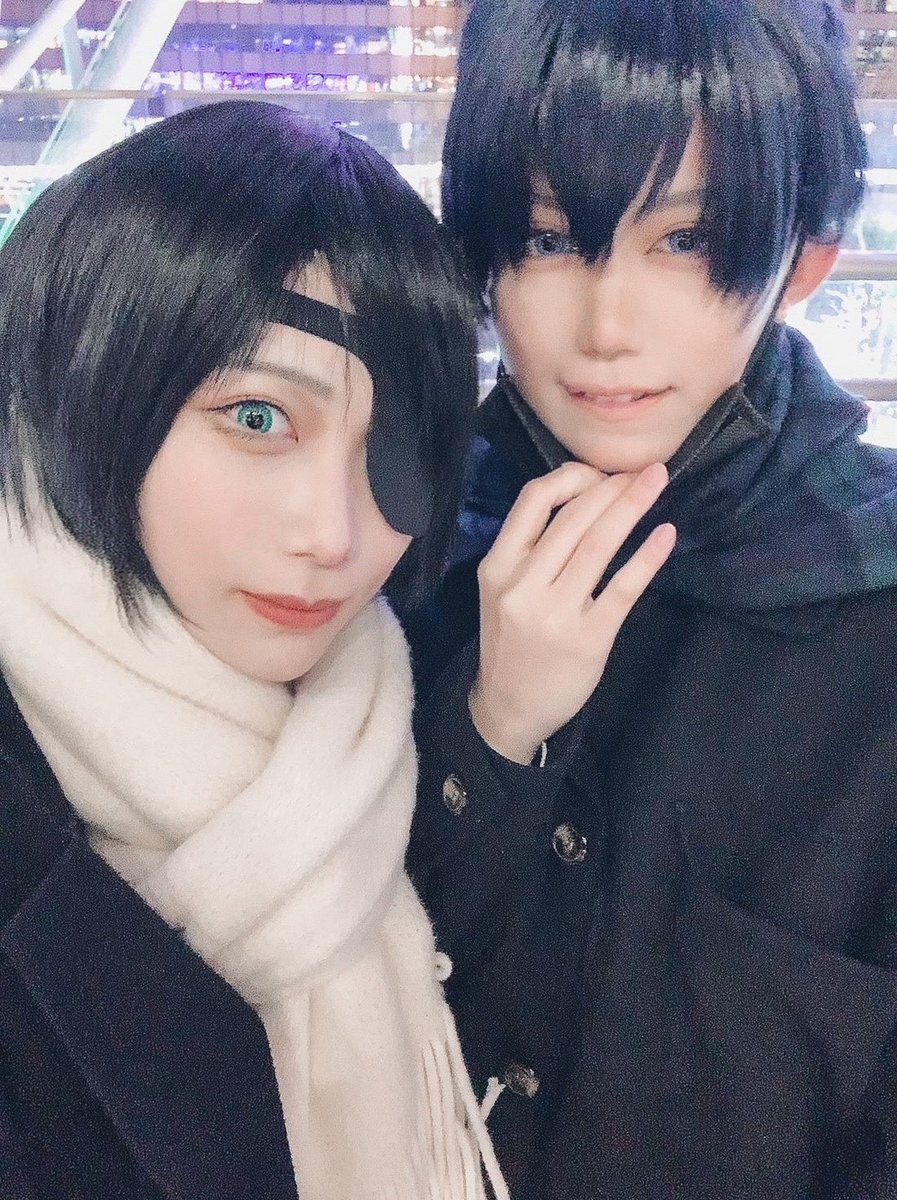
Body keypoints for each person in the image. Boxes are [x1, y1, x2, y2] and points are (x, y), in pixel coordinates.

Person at [400, 1, 897, 1197]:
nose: (607, 328)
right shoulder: (373, 554)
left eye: (685, 240)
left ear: (804, 263)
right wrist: (490, 735)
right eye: (547, 239)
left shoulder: (873, 621)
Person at [0, 99, 508, 1200]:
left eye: (392, 448)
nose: (332, 535)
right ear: (87, 381)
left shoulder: (391, 712)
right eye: (260, 418)